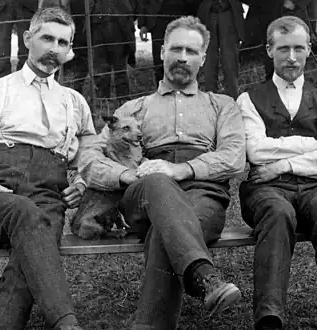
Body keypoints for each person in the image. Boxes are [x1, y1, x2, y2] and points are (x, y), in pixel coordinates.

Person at [78, 16, 246, 329]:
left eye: (192, 52)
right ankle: (206, 278)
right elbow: (88, 158)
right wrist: (126, 176)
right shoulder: (133, 109)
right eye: (176, 49)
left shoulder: (222, 105)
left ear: (203, 59)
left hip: (203, 193)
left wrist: (181, 169)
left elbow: (234, 158)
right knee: (157, 183)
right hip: (144, 192)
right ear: (161, 52)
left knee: (165, 230)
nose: (183, 57)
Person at [0, 7, 95, 329]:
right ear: (28, 39)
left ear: (69, 51)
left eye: (63, 43)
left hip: (46, 201)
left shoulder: (74, 102)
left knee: (32, 245)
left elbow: (93, 157)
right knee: (30, 218)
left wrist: (82, 182)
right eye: (46, 38)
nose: (53, 49)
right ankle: (67, 323)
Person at [237, 16, 317, 330]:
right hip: (266, 190)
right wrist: (309, 144)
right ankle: (269, 318)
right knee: (278, 213)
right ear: (269, 50)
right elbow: (256, 151)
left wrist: (284, 163)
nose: (291, 57)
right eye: (283, 49)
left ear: (309, 49)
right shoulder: (249, 100)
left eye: (298, 48)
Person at [138, 0, 199, 86]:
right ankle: (162, 93)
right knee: (159, 62)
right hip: (157, 22)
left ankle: (180, 92)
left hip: (181, 22)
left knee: (181, 61)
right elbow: (143, 3)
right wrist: (143, 25)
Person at [197, 0, 247, 99]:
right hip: (207, 14)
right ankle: (211, 100)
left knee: (230, 61)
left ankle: (233, 100)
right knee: (209, 61)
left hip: (229, 13)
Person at [0, 0, 39, 78]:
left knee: (26, 49)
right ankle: (3, 84)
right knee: (2, 50)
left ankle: (24, 84)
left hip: (26, 6)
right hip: (1, 6)